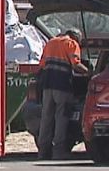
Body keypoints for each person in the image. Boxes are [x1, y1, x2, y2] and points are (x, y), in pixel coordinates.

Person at [37, 28, 88, 160]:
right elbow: (76, 65)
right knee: (61, 118)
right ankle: (58, 151)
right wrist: (90, 72)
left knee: (46, 118)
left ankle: (43, 151)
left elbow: (41, 65)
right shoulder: (71, 44)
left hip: (47, 86)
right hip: (62, 86)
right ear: (75, 37)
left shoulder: (50, 42)